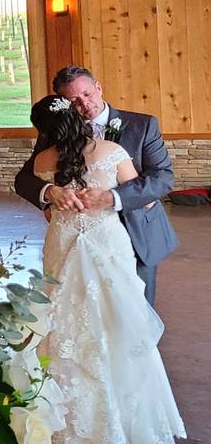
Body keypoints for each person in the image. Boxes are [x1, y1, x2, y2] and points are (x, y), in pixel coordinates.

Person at [27, 94, 185, 442]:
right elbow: (147, 195)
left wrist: (56, 195)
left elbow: (46, 207)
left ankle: (66, 415)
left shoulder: (42, 159)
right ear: (74, 117)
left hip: (63, 239)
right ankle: (126, 406)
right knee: (118, 315)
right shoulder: (110, 151)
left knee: (63, 316)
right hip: (107, 241)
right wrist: (109, 198)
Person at [15, 66, 178, 305]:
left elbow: (162, 177)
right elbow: (23, 180)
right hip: (76, 235)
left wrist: (112, 197)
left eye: (87, 94)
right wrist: (50, 191)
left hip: (136, 228)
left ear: (98, 87)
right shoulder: (54, 132)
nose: (84, 103)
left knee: (137, 307)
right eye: (74, 100)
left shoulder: (142, 125)